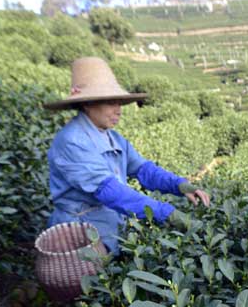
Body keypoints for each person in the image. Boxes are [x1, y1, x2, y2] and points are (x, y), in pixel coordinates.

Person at [43, 57, 209, 253]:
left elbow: (143, 169)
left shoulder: (112, 137)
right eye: (111, 103)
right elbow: (110, 191)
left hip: (111, 227)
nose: (119, 111)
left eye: (119, 102)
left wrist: (179, 185)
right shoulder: (73, 141)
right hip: (80, 236)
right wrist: (168, 214)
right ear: (87, 104)